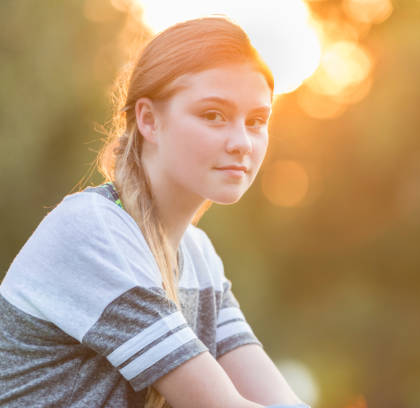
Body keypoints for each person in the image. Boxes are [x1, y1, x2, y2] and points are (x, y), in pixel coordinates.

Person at [0, 16, 310, 408]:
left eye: (256, 121)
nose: (241, 143)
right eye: (213, 114)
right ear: (148, 119)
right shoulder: (93, 232)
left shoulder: (198, 258)